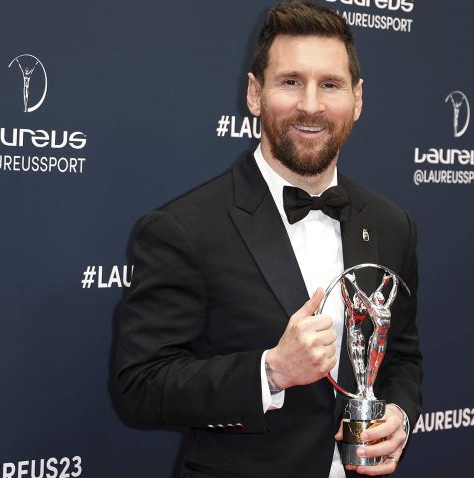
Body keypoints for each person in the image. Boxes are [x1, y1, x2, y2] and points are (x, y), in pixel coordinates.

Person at [113, 2, 422, 477]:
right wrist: (271, 370)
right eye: (290, 81)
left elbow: (402, 357)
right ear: (255, 94)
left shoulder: (391, 224)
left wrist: (399, 414)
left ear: (357, 100)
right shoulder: (184, 228)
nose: (312, 105)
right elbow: (139, 386)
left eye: (331, 85)